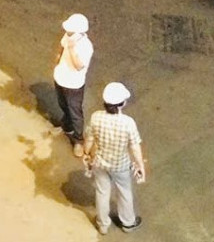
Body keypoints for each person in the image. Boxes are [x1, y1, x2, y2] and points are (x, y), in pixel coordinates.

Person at [83, 82, 146, 234]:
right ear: (121, 104)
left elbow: (90, 139)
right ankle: (128, 223)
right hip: (120, 165)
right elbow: (135, 147)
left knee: (102, 192)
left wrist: (86, 153)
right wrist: (140, 166)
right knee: (124, 192)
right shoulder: (128, 123)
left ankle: (103, 225)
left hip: (100, 162)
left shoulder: (96, 117)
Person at [55, 13, 95, 152]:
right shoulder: (68, 36)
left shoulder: (86, 46)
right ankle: (66, 126)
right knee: (63, 105)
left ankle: (78, 140)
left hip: (73, 85)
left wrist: (72, 49)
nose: (68, 31)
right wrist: (57, 60)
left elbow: (79, 66)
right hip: (60, 78)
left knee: (75, 112)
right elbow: (61, 47)